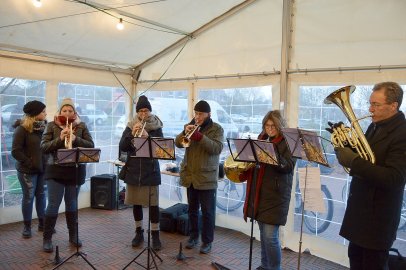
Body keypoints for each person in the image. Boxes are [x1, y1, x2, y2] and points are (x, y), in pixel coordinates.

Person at [334, 82, 406, 270]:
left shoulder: (402, 133)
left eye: (376, 104)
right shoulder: (375, 126)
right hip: (360, 213)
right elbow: (367, 159)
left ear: (393, 106)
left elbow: (394, 178)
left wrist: (354, 162)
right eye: (370, 103)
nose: (370, 109)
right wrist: (347, 149)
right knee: (355, 262)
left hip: (378, 220)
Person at [239, 110, 295, 270]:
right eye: (267, 125)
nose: (269, 129)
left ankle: (275, 268)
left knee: (271, 237)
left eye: (273, 125)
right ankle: (265, 265)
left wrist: (271, 152)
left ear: (280, 126)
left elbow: (289, 166)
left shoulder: (289, 141)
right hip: (260, 194)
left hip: (276, 197)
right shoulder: (261, 138)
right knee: (263, 235)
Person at [40, 98, 94, 253]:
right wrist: (60, 139)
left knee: (72, 204)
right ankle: (47, 238)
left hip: (75, 170)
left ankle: (73, 235)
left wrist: (76, 139)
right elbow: (43, 147)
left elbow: (91, 145)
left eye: (70, 111)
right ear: (60, 112)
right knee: (53, 204)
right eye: (65, 110)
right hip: (55, 170)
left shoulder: (81, 126)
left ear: (75, 113)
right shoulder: (51, 125)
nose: (68, 113)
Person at [175, 100, 224, 254]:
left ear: (208, 114)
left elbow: (217, 148)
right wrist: (185, 132)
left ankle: (207, 241)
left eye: (200, 114)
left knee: (208, 212)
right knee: (193, 210)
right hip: (191, 176)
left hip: (206, 177)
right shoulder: (190, 125)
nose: (197, 117)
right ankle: (193, 236)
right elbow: (178, 144)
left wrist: (199, 137)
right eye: (196, 113)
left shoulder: (217, 129)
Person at [119, 95, 164, 251]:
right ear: (137, 112)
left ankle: (155, 234)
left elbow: (161, 146)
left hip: (150, 169)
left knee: (153, 204)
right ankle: (139, 232)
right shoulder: (131, 125)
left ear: (150, 111)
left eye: (146, 110)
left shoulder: (156, 125)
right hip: (134, 169)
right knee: (136, 203)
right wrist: (133, 134)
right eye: (141, 111)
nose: (143, 113)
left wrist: (147, 136)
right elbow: (123, 146)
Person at [11, 100, 47, 239]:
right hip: (27, 170)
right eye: (43, 111)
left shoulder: (45, 127)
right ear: (35, 113)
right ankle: (27, 227)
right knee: (28, 198)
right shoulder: (22, 129)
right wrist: (30, 162)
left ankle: (42, 224)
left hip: (43, 169)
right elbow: (16, 151)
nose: (45, 113)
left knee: (42, 196)